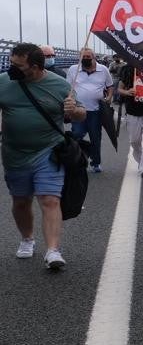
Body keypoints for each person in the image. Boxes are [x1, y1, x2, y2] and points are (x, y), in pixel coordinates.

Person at [1, 43, 86, 270]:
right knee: (20, 201)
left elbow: (80, 114)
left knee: (50, 199)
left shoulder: (59, 85)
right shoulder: (4, 82)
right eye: (10, 63)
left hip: (48, 151)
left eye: (18, 66)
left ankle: (53, 251)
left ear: (35, 67)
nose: (12, 69)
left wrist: (73, 110)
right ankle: (27, 239)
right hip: (15, 154)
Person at [64, 47, 113, 173]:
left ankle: (96, 162)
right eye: (83, 57)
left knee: (95, 137)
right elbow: (67, 87)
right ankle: (77, 158)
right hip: (78, 109)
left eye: (88, 57)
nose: (85, 59)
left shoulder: (103, 69)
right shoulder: (73, 69)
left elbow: (110, 86)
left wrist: (109, 97)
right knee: (77, 134)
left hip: (95, 111)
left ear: (94, 57)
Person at [116, 62, 143, 177]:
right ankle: (141, 161)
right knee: (134, 141)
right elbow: (119, 89)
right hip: (133, 110)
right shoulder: (128, 69)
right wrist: (127, 92)